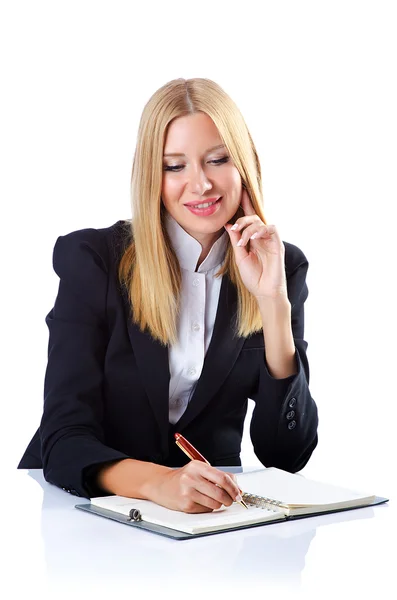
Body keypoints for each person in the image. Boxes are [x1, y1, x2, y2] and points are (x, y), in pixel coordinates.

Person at [18, 77, 318, 513]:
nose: (200, 185)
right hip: (84, 511)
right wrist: (161, 483)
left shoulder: (279, 265)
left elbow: (285, 455)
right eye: (174, 167)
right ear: (151, 177)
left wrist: (272, 302)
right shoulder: (94, 259)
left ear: (245, 164)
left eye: (217, 160)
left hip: (205, 527)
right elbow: (63, 438)